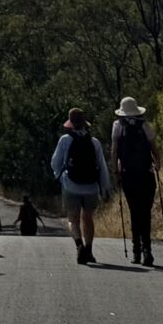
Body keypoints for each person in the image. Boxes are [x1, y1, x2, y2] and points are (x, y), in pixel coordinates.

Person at [49, 107, 107, 264]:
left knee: (73, 219)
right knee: (88, 218)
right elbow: (101, 166)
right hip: (91, 186)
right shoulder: (94, 142)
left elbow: (55, 163)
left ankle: (79, 245)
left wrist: (60, 178)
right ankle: (89, 249)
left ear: (71, 124)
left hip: (71, 185)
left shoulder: (65, 140)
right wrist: (104, 187)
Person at [110, 95, 161, 267]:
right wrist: (157, 166)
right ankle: (148, 251)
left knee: (134, 211)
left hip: (128, 175)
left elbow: (114, 150)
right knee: (145, 213)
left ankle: (136, 252)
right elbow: (155, 150)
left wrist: (115, 170)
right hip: (146, 175)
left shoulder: (117, 126)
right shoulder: (145, 125)